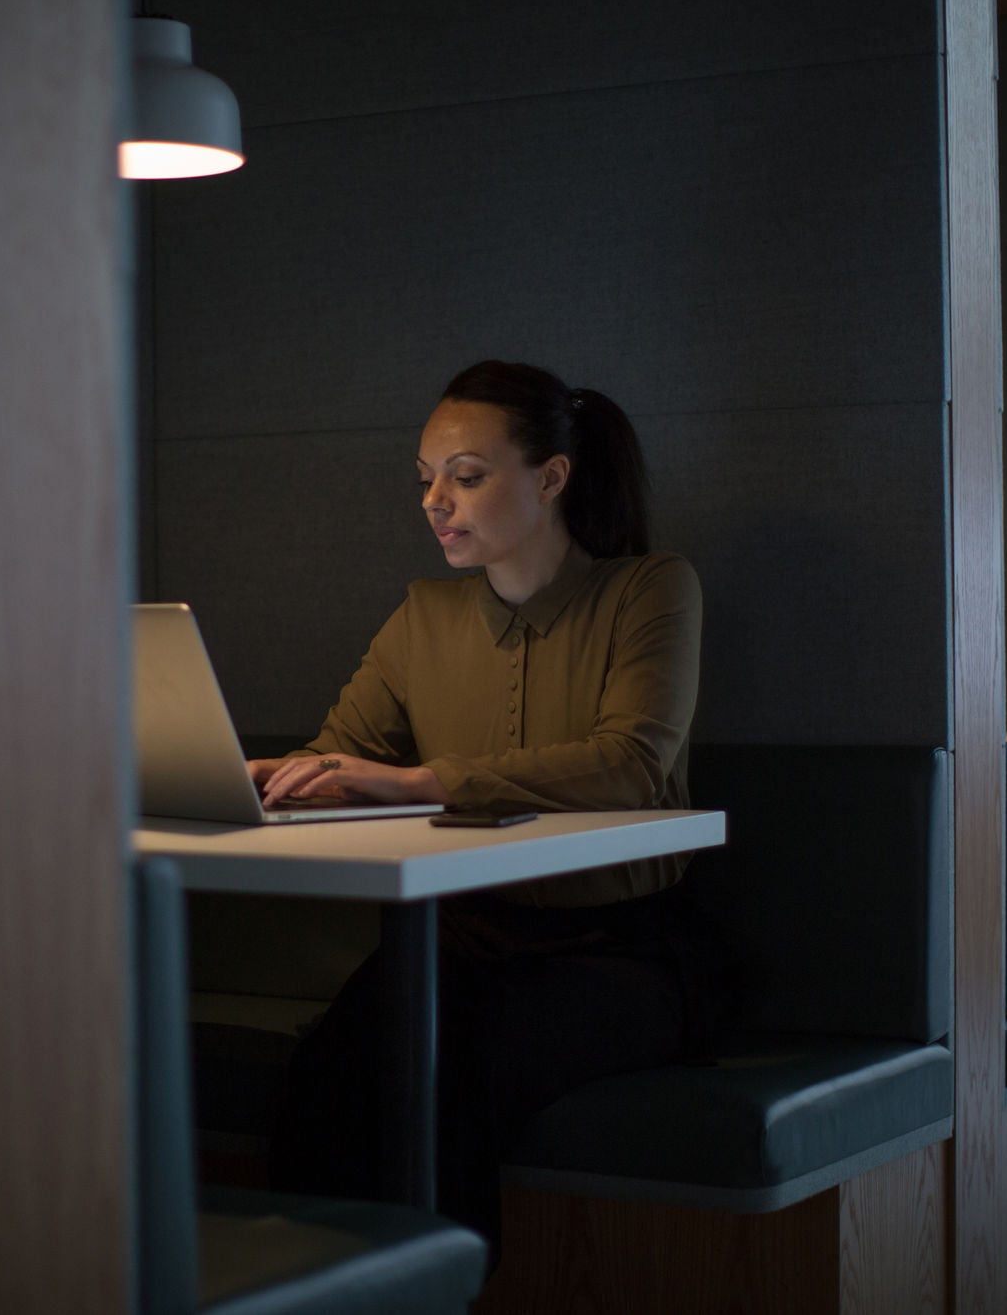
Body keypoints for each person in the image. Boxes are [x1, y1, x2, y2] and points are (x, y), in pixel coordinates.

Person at [250, 359, 723, 1269]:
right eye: (425, 478)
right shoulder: (423, 615)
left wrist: (420, 780)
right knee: (322, 1080)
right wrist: (286, 775)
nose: (436, 501)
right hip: (457, 943)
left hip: (618, 952)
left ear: (551, 478)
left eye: (466, 476)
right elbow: (341, 748)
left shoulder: (651, 589)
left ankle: (442, 1294)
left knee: (451, 1076)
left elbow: (629, 765)